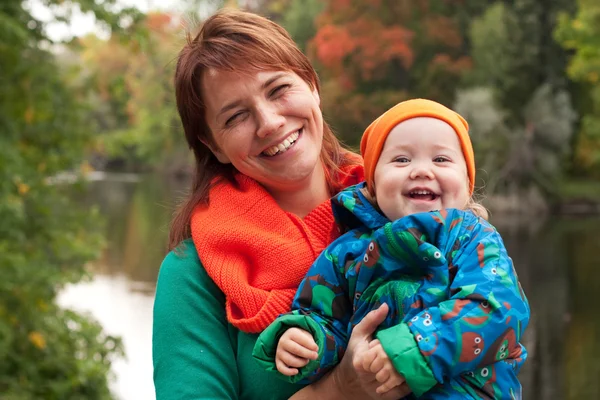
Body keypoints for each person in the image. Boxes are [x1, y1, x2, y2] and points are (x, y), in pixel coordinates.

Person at [152, 8, 412, 400]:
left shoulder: (411, 212)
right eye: (236, 116)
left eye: (278, 90)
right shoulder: (193, 275)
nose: (270, 122)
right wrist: (341, 389)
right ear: (212, 145)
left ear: (313, 86)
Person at [252, 99, 530, 398]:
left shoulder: (472, 238)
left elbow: (496, 309)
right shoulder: (347, 252)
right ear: (372, 184)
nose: (421, 170)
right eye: (401, 160)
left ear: (467, 182)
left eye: (441, 160)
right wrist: (306, 340)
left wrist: (414, 346)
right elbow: (326, 316)